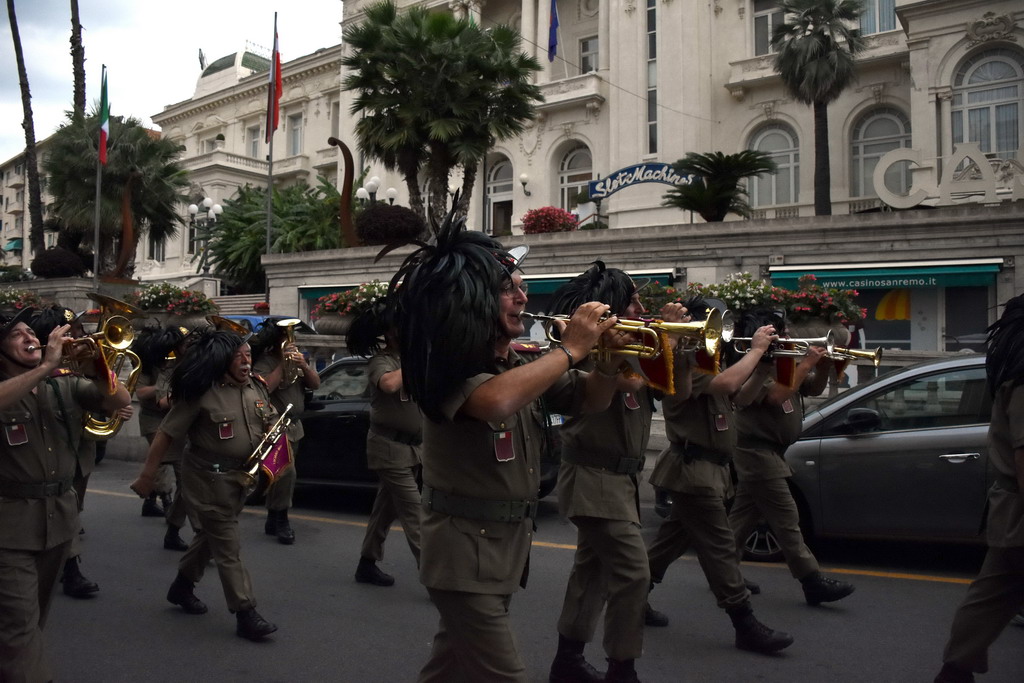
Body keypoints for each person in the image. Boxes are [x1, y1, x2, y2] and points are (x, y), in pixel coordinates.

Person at [390, 207, 622, 682]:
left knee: (449, 669)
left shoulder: (518, 366)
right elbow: (494, 401)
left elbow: (592, 400)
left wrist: (609, 361)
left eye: (522, 286)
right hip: (463, 556)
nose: (523, 296)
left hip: (502, 552)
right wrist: (571, 349)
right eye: (508, 289)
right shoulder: (448, 369)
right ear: (473, 300)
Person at [547, 262, 683, 683]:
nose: (642, 310)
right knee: (634, 573)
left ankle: (567, 661)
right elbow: (631, 383)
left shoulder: (632, 348)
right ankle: (622, 668)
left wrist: (674, 346)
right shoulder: (586, 350)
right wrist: (668, 338)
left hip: (619, 481)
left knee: (592, 573)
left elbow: (672, 389)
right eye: (633, 303)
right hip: (593, 477)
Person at [645, 296, 795, 655]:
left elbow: (740, 398)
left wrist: (763, 367)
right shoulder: (685, 365)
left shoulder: (707, 363)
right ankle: (745, 623)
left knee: (668, 544)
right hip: (693, 470)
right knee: (721, 548)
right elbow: (727, 386)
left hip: (709, 470)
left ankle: (629, 594)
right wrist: (755, 351)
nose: (720, 331)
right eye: (712, 323)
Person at [0, 308, 131, 681]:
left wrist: (97, 365)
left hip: (58, 520)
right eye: (17, 335)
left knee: (33, 620)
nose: (30, 338)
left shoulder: (63, 384)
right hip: (8, 529)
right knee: (19, 626)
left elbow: (118, 399)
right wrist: (45, 367)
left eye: (31, 332)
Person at [130, 327, 279, 641]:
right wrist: (147, 476)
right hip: (206, 478)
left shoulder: (256, 387)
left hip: (240, 478)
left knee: (210, 538)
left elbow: (270, 419)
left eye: (248, 355)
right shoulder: (201, 392)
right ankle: (246, 612)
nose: (246, 362)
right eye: (238, 357)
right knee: (227, 543)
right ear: (222, 360)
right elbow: (166, 434)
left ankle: (182, 587)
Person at [728, 308, 855, 605]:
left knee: (740, 521)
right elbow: (776, 396)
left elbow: (812, 388)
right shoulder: (753, 367)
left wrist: (823, 367)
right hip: (756, 453)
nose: (788, 337)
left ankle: (723, 572)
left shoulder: (785, 362)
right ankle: (811, 580)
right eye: (781, 333)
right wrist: (806, 362)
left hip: (772, 453)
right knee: (787, 519)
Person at [933, 294, 1024, 683]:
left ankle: (956, 668)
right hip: (1018, 510)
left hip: (1011, 510)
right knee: (992, 593)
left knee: (992, 593)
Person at [30, 304, 132, 599]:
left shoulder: (75, 372)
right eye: (69, 333)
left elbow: (114, 397)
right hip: (40, 464)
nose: (77, 338)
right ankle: (70, 568)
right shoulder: (27, 375)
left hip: (77, 449)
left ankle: (67, 563)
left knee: (72, 508)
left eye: (76, 331)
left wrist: (99, 369)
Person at [347, 298, 423, 586]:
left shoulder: (412, 358)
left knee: (384, 510)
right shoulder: (383, 361)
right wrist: (415, 360)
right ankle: (439, 580)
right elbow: (389, 384)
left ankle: (366, 563)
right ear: (390, 332)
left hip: (413, 450)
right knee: (415, 514)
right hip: (389, 449)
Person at [251, 318, 320, 544]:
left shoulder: (297, 360)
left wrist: (304, 366)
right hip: (274, 424)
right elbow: (265, 388)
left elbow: (316, 384)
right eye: (286, 336)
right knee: (287, 473)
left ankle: (272, 518)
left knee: (279, 476)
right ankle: (282, 519)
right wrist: (282, 363)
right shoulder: (264, 362)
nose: (292, 341)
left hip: (294, 426)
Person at [133, 324, 191, 551]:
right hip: (154, 419)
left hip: (177, 420)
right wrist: (161, 388)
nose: (186, 347)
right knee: (162, 464)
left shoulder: (184, 363)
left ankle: (168, 520)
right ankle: (165, 500)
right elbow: (141, 393)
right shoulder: (150, 363)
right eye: (183, 344)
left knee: (186, 480)